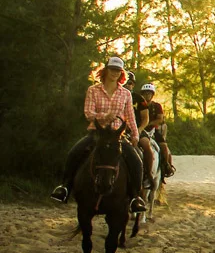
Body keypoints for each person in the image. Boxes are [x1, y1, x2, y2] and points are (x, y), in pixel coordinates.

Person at [50, 57, 146, 212]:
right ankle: (64, 187)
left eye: (118, 70)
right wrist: (105, 116)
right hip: (97, 133)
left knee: (136, 161)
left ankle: (135, 197)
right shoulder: (93, 90)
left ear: (121, 73)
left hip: (117, 136)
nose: (115, 73)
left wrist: (135, 135)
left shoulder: (126, 94)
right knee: (74, 152)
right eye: (112, 69)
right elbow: (89, 113)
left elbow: (130, 116)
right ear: (106, 70)